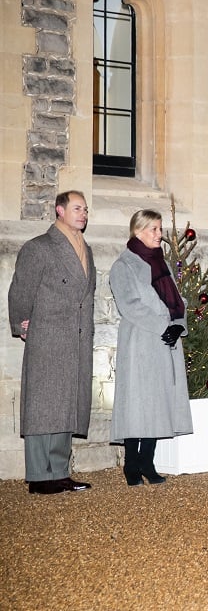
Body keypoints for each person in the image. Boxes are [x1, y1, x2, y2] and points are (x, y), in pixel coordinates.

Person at [7, 191, 97, 495]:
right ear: (59, 210)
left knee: (68, 405)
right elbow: (20, 291)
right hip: (48, 335)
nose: (83, 214)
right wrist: (21, 323)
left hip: (78, 337)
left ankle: (58, 472)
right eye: (76, 208)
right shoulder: (39, 248)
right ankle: (39, 476)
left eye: (85, 209)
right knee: (44, 405)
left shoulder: (87, 250)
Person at [109, 209, 194, 485]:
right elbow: (130, 304)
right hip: (140, 342)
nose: (160, 235)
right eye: (154, 230)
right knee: (137, 402)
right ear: (138, 231)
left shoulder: (161, 263)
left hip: (164, 342)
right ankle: (131, 465)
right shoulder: (124, 265)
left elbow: (176, 300)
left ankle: (148, 461)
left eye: (159, 229)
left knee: (159, 402)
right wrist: (163, 327)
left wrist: (179, 325)